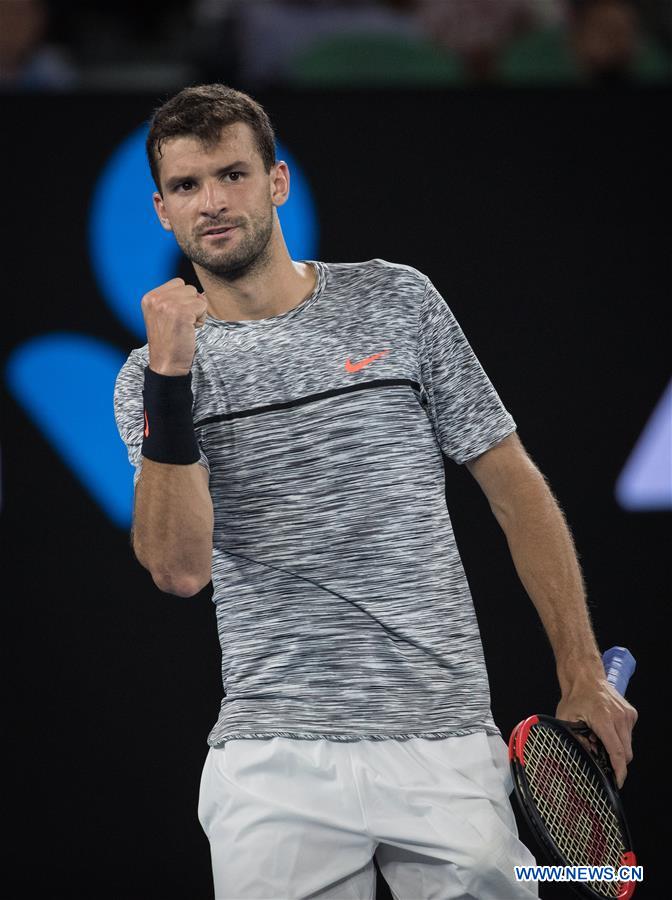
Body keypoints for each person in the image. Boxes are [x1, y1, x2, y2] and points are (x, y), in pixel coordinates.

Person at [113, 83, 638, 900]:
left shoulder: (399, 299)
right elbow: (180, 569)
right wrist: (173, 377)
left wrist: (582, 671)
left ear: (277, 182)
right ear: (160, 210)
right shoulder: (151, 377)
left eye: (232, 174)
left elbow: (515, 489)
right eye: (187, 186)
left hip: (444, 742)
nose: (212, 203)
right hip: (273, 759)